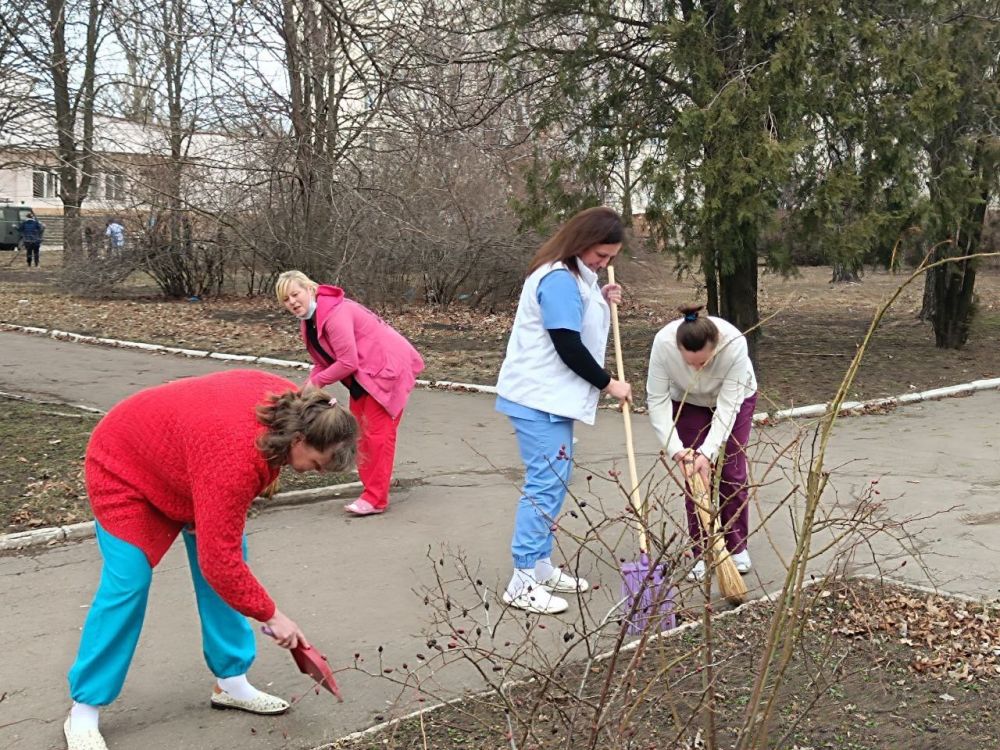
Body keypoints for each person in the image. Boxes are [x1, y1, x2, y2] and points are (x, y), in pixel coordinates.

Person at [63, 369, 357, 750]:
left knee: (229, 565)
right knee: (129, 581)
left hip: (188, 465)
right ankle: (84, 709)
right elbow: (220, 562)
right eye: (317, 464)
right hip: (125, 463)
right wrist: (273, 616)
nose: (314, 473)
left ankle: (231, 681)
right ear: (299, 439)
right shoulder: (236, 456)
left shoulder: (303, 409)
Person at [495, 206, 632, 615]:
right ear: (582, 241)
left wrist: (600, 298)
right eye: (601, 255)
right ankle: (522, 580)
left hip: (550, 398)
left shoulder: (574, 276)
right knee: (544, 484)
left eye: (610, 258)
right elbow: (568, 345)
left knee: (555, 480)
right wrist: (609, 383)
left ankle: (540, 566)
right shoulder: (557, 279)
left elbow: (576, 316)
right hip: (537, 398)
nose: (603, 263)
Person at [275, 270, 425, 516]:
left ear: (309, 289)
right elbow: (323, 361)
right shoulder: (309, 322)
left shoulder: (335, 314)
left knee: (378, 436)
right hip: (363, 379)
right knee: (359, 433)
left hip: (384, 372)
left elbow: (347, 362)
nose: (292, 302)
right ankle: (370, 490)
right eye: (285, 299)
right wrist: (307, 387)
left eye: (295, 294)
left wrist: (317, 382)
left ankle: (376, 499)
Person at [645, 305, 759, 582]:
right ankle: (701, 550)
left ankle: (736, 547)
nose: (697, 368)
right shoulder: (663, 344)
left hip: (736, 399)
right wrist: (676, 451)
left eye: (704, 362)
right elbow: (657, 400)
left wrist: (707, 453)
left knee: (731, 471)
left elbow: (728, 406)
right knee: (695, 476)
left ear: (715, 347)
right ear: (678, 349)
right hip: (687, 401)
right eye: (691, 363)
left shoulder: (733, 344)